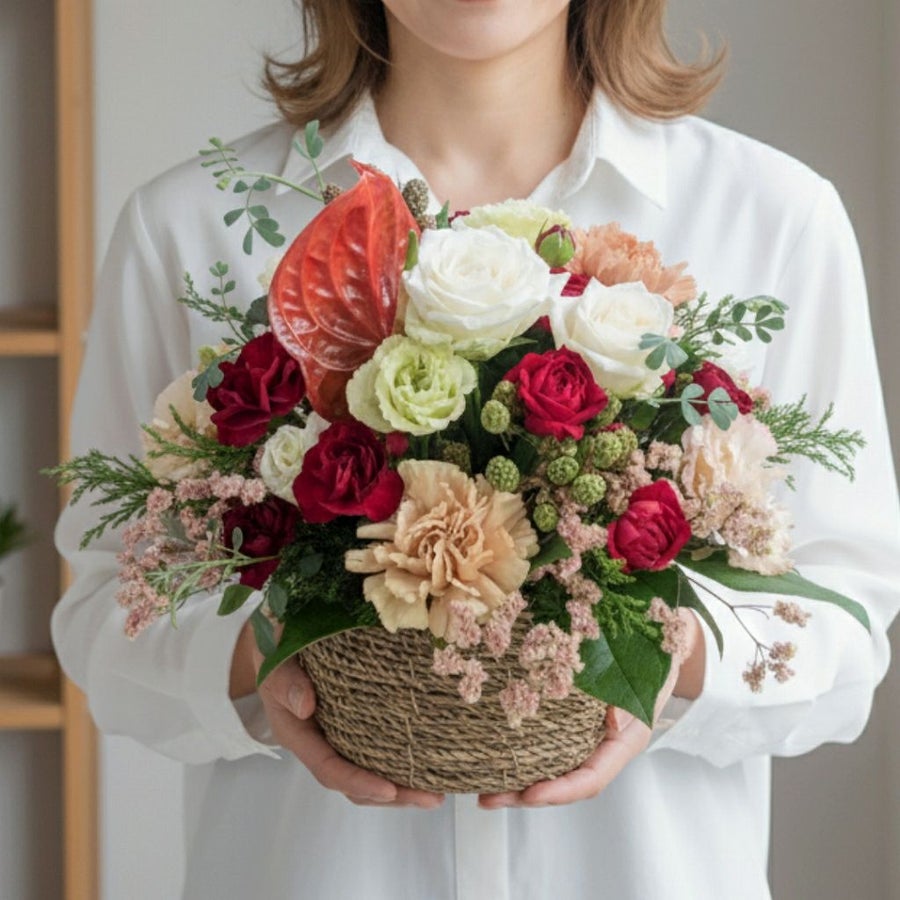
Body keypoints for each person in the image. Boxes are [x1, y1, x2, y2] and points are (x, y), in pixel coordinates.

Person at [53, 1, 900, 898]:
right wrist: (264, 653)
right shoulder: (192, 227)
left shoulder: (772, 217)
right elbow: (104, 610)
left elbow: (849, 623)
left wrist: (658, 656)